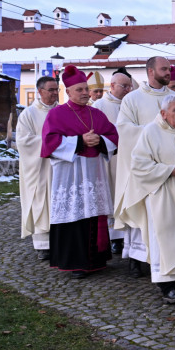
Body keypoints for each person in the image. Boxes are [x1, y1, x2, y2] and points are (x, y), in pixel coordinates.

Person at [121, 94, 175, 304]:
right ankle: (167, 284)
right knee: (165, 238)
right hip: (163, 194)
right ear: (163, 113)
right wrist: (171, 170)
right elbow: (139, 164)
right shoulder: (151, 131)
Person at [40, 66, 118, 279]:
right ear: (68, 92)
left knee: (94, 214)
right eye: (79, 90)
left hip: (94, 173)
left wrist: (100, 140)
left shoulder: (97, 114)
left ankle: (97, 260)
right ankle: (76, 263)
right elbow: (49, 143)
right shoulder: (56, 114)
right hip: (70, 175)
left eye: (86, 89)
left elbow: (113, 136)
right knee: (74, 214)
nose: (85, 93)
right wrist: (79, 141)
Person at [114, 57, 175, 277]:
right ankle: (136, 258)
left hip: (168, 167)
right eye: (164, 69)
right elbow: (124, 129)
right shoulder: (132, 99)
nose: (168, 72)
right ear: (150, 71)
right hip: (143, 167)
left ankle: (168, 259)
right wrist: (155, 131)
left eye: (169, 69)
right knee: (141, 210)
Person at [18, 76, 59, 260]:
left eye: (56, 89)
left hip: (60, 167)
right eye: (51, 90)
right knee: (40, 202)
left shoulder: (62, 112)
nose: (55, 93)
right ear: (40, 91)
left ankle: (60, 242)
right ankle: (43, 245)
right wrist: (52, 143)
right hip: (39, 168)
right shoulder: (28, 114)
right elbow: (24, 142)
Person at [94, 69, 133, 255]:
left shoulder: (131, 104)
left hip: (129, 159)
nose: (127, 90)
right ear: (112, 86)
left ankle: (127, 236)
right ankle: (114, 238)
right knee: (111, 195)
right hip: (109, 159)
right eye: (124, 86)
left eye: (129, 86)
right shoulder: (99, 106)